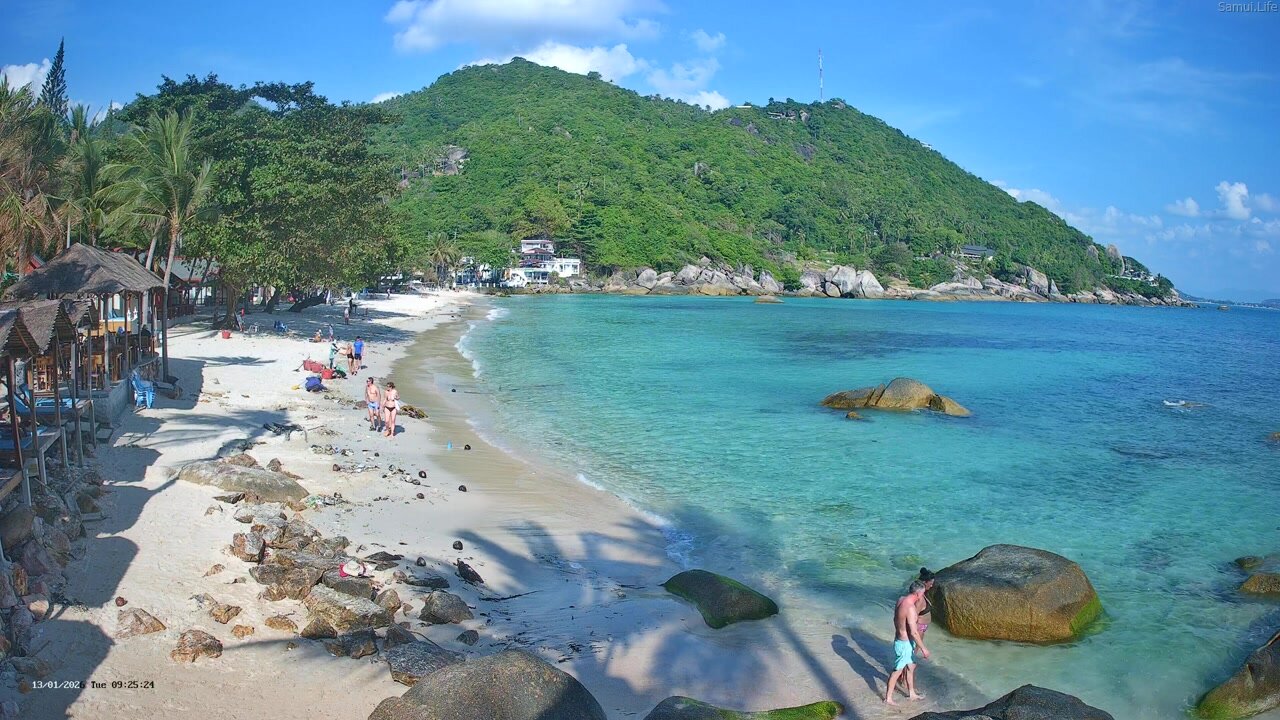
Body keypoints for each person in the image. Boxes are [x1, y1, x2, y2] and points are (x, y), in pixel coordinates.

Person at [885, 580, 930, 705]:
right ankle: (888, 698)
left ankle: (912, 693)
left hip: (902, 640)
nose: (922, 596)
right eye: (923, 593)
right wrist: (924, 649)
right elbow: (914, 632)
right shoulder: (910, 608)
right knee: (897, 671)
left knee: (911, 666)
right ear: (918, 594)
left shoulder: (901, 600)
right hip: (904, 643)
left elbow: (895, 619)